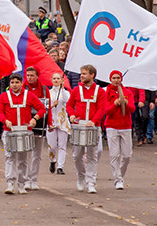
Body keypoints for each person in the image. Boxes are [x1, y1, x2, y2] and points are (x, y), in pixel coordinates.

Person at [0, 73, 45, 194]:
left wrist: (35, 118)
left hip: (24, 132)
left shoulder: (29, 95)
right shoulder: (4, 96)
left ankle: (22, 183)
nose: (14, 85)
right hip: (9, 132)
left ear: (21, 83)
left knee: (23, 159)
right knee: (10, 157)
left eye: (17, 82)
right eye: (12, 82)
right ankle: (10, 183)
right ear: (9, 83)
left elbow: (42, 108)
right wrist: (5, 120)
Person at [66, 65, 107, 194]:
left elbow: (102, 108)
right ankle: (80, 175)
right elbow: (69, 105)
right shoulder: (76, 90)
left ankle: (91, 182)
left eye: (84, 74)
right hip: (79, 126)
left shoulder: (100, 91)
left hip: (93, 126)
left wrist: (94, 121)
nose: (81, 76)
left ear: (92, 75)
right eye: (81, 73)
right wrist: (71, 114)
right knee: (76, 155)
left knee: (93, 155)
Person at [104, 70, 134, 190]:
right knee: (114, 154)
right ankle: (118, 179)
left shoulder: (127, 92)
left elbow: (132, 109)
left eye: (118, 78)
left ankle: (120, 174)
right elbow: (106, 111)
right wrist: (115, 104)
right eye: (114, 78)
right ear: (110, 79)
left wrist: (125, 103)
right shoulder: (106, 92)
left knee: (127, 156)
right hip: (112, 126)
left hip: (126, 126)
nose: (116, 80)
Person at [46, 73, 70, 175]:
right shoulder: (48, 92)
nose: (56, 80)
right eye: (54, 78)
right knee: (52, 146)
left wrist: (63, 89)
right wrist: (52, 105)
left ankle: (60, 166)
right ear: (51, 80)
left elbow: (67, 101)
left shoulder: (65, 93)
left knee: (62, 145)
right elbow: (45, 107)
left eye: (58, 78)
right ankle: (52, 160)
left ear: (61, 80)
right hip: (51, 121)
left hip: (62, 121)